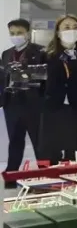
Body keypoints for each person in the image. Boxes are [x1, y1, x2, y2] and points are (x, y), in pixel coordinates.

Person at [39, 15, 77, 165]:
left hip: (75, 107)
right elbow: (41, 83)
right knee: (51, 149)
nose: (71, 30)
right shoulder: (47, 55)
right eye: (67, 27)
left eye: (75, 27)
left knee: (74, 150)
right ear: (58, 32)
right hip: (52, 108)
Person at [1, 18, 45, 184]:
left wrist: (25, 74)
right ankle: (11, 176)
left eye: (19, 33)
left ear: (27, 33)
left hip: (34, 104)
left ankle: (45, 175)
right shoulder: (6, 54)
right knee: (15, 141)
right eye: (12, 33)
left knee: (39, 142)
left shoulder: (40, 51)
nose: (16, 36)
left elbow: (45, 77)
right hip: (12, 105)